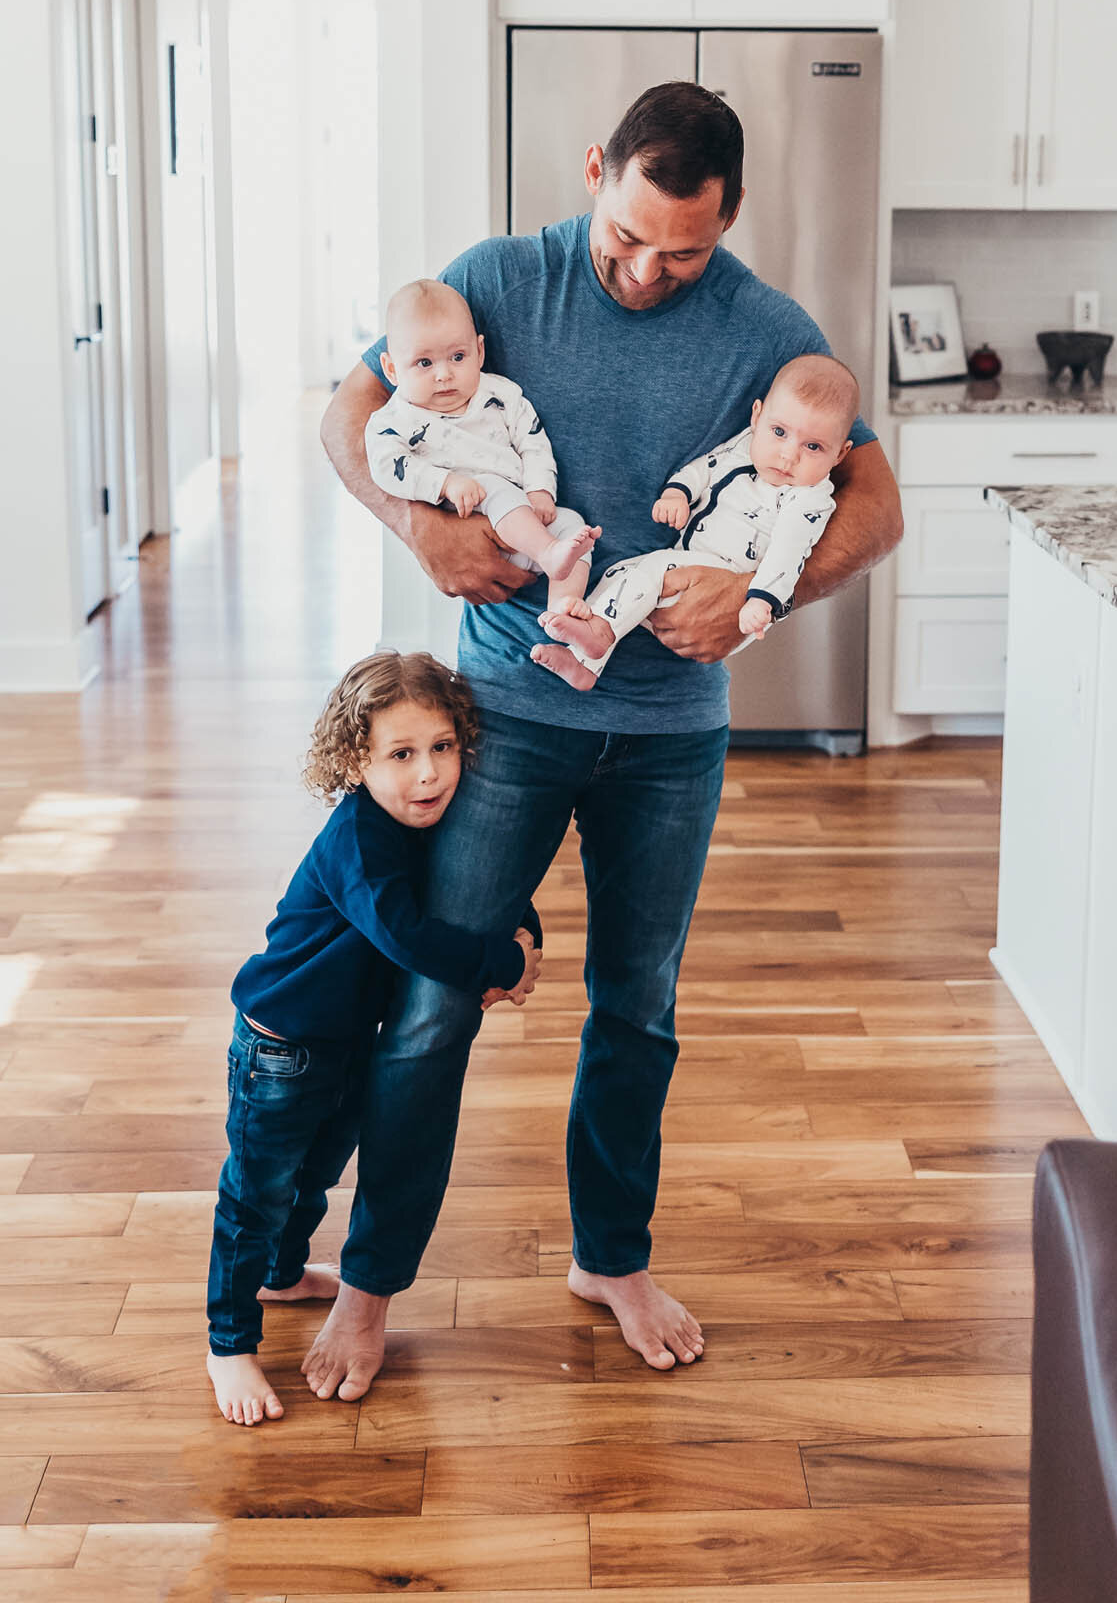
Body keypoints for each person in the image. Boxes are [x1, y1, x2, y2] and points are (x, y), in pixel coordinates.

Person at [310, 80, 903, 1401]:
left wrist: (765, 592)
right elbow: (347, 417)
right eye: (629, 232)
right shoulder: (492, 283)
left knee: (637, 1009)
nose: (646, 268)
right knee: (435, 997)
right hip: (506, 716)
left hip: (672, 735)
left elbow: (878, 502)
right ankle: (370, 1277)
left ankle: (610, 1257)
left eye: (682, 248)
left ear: (729, 219)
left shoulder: (770, 330)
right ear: (595, 171)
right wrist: (423, 528)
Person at [205, 651, 541, 1427]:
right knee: (256, 1193)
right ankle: (229, 1344)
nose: (427, 775)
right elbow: (410, 937)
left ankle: (281, 1275)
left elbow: (479, 883)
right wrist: (503, 961)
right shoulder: (359, 834)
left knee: (315, 1172)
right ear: (356, 760)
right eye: (401, 755)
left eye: (443, 748)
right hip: (280, 1045)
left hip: (347, 1040)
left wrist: (525, 928)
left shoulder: (425, 819)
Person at [532, 353, 858, 690]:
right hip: (687, 563)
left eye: (814, 446)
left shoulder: (808, 498)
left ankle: (599, 633)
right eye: (779, 432)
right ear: (757, 416)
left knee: (653, 568)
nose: (789, 455)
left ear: (840, 454)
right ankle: (585, 662)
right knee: (621, 573)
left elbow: (788, 556)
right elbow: (708, 466)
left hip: (729, 589)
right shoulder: (748, 444)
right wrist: (678, 493)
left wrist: (761, 600)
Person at [366, 279, 599, 606]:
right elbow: (386, 466)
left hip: (523, 523)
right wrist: (446, 483)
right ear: (391, 369)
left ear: (480, 351)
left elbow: (532, 440)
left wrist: (539, 489)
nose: (444, 374)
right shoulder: (392, 421)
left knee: (575, 528)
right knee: (490, 485)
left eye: (458, 356)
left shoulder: (501, 395)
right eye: (424, 363)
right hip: (472, 526)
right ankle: (548, 553)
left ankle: (563, 612)